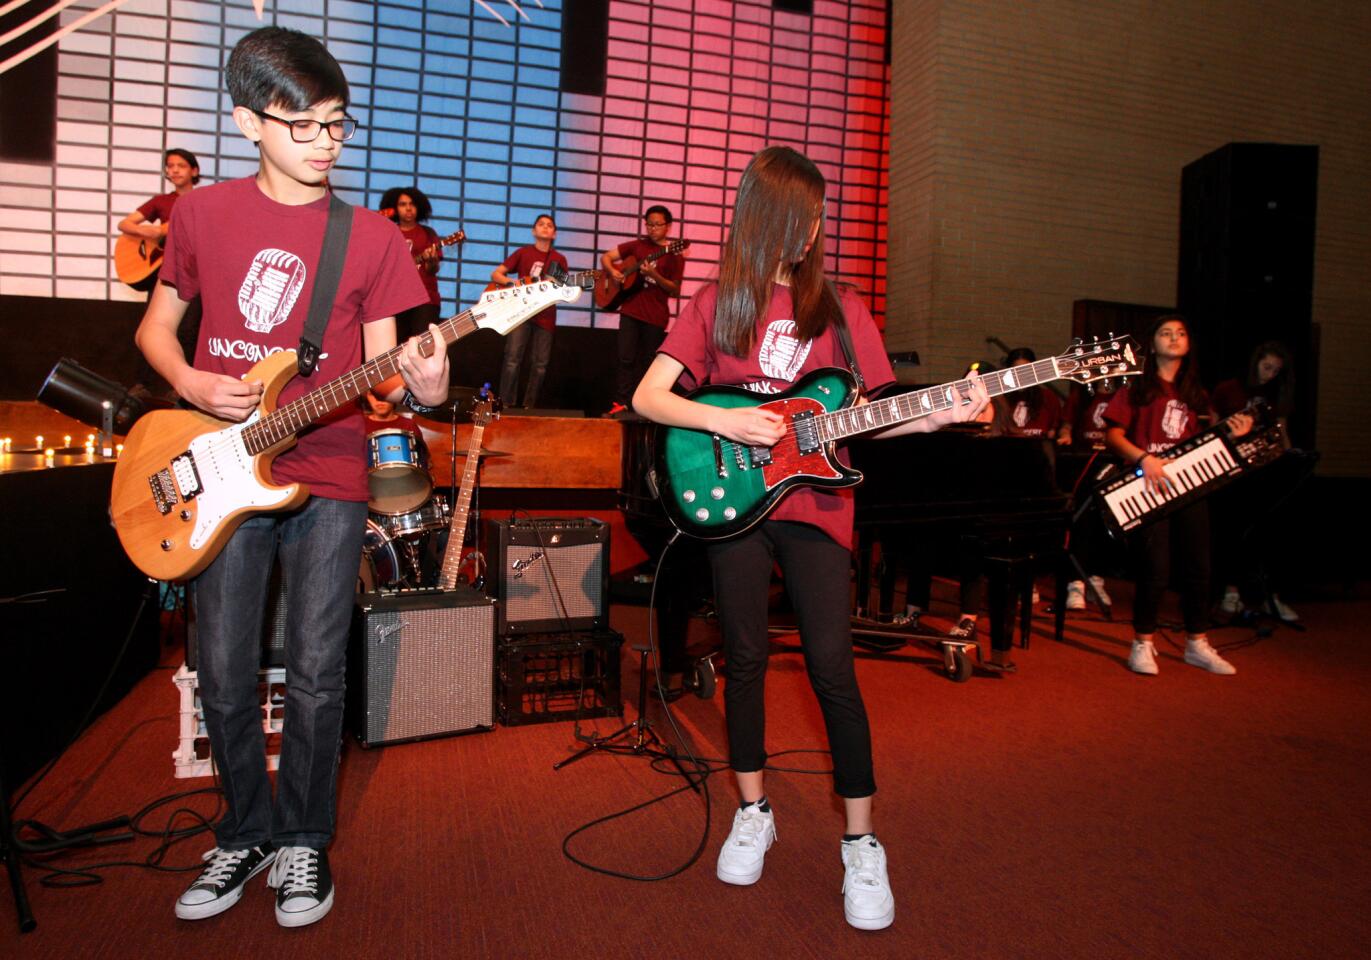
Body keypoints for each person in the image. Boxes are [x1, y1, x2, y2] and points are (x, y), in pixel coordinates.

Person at [134, 26, 450, 928]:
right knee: (225, 668)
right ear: (246, 122)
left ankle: (304, 842)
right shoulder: (199, 216)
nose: (324, 143)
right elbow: (157, 330)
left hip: (330, 473)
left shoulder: (373, 239)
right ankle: (243, 833)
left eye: (337, 126)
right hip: (219, 470)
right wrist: (193, 380)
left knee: (316, 672)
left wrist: (422, 385)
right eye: (302, 125)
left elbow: (385, 374)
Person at [632, 146, 989, 931]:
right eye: (800, 217)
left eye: (818, 217)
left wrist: (941, 410)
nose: (813, 229)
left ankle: (862, 843)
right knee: (749, 659)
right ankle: (753, 809)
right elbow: (649, 396)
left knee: (832, 667)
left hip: (820, 510)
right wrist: (724, 418)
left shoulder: (839, 308)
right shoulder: (716, 301)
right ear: (764, 219)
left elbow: (884, 408)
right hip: (734, 499)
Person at [1103, 315, 1251, 676]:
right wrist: (1144, 459)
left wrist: (1234, 433)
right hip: (1150, 485)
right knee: (1155, 569)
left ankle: (1197, 643)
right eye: (1165, 333)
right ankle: (1143, 643)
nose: (1174, 338)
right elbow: (1113, 436)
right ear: (1152, 344)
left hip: (1190, 487)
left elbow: (1204, 442)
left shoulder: (1197, 393)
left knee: (1199, 567)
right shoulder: (1135, 389)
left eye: (1181, 333)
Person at [1211, 340, 1299, 621]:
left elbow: (1281, 430)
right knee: (1231, 532)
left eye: (1275, 370)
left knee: (1264, 535)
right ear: (1256, 362)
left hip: (1263, 470)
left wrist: (1289, 454)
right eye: (1266, 367)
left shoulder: (1276, 394)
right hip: (1230, 470)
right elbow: (1212, 426)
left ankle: (1268, 596)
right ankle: (1231, 591)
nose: (1269, 374)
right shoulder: (1230, 389)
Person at [119, 149, 203, 381]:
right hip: (164, 274)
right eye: (170, 166)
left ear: (194, 171)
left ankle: (181, 385)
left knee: (189, 330)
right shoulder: (161, 202)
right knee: (152, 328)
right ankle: (143, 384)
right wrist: (153, 231)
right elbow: (124, 224)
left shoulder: (202, 201)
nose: (174, 170)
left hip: (194, 273)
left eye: (181, 166)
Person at [602, 205, 684, 416]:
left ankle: (641, 405)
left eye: (658, 224)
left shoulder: (674, 255)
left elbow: (675, 290)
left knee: (648, 362)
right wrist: (613, 272)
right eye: (649, 224)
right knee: (625, 358)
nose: (653, 228)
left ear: (668, 227)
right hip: (631, 311)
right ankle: (620, 403)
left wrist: (654, 275)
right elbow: (606, 257)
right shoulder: (637, 246)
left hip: (655, 316)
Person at [1056, 378, 1119, 611]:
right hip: (1084, 462)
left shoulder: (1123, 394)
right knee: (1081, 523)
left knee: (1106, 525)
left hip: (1112, 463)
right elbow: (1067, 424)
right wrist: (1065, 435)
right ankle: (1075, 582)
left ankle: (1096, 579)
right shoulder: (1081, 395)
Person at [492, 214, 567, 408]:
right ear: (534, 231)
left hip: (546, 314)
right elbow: (496, 274)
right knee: (512, 358)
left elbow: (562, 288)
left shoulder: (559, 259)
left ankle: (529, 406)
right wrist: (514, 283)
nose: (544, 227)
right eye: (540, 224)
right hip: (521, 311)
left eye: (549, 225)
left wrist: (556, 285)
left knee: (540, 364)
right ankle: (506, 403)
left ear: (554, 234)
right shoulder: (523, 252)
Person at [379, 185, 443, 342]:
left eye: (412, 204)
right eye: (403, 204)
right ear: (394, 208)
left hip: (425, 300)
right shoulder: (387, 233)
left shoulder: (428, 234)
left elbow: (432, 270)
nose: (408, 208)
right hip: (394, 300)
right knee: (393, 348)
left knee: (422, 346)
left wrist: (431, 260)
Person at [1002, 346, 1063, 439]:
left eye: (1026, 370)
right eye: (1017, 371)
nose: (1022, 376)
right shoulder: (1002, 399)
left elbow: (1055, 431)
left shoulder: (1048, 396)